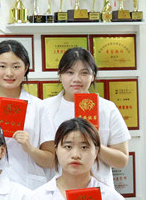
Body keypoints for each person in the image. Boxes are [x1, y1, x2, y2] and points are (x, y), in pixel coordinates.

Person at [41, 47, 129, 187]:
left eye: (84, 73)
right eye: (70, 72)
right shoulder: (45, 108)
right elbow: (47, 157)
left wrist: (94, 143)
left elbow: (121, 161)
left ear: (93, 76)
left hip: (98, 189)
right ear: (60, 75)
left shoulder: (107, 108)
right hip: (58, 189)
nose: (76, 79)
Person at [0, 40, 53, 190]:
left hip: (29, 186)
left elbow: (51, 160)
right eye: (2, 66)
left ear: (26, 68)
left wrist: (29, 148)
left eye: (16, 67)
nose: (9, 73)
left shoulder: (39, 107)